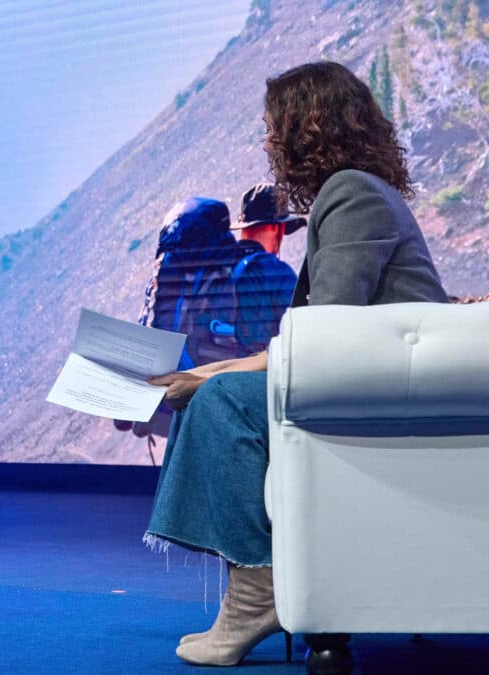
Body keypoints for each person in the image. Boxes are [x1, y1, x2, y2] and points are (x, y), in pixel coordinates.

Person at [143, 61, 448, 667]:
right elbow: (316, 335)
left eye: (271, 128)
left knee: (221, 403)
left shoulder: (352, 192)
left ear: (307, 130)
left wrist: (212, 375)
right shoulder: (359, 191)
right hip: (370, 385)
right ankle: (255, 586)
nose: (266, 143)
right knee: (216, 391)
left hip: (375, 393)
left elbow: (323, 336)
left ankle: (258, 587)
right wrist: (210, 372)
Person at [223, 182, 301, 354]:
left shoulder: (222, 266)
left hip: (213, 372)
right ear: (277, 228)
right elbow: (300, 336)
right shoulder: (276, 272)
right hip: (257, 374)